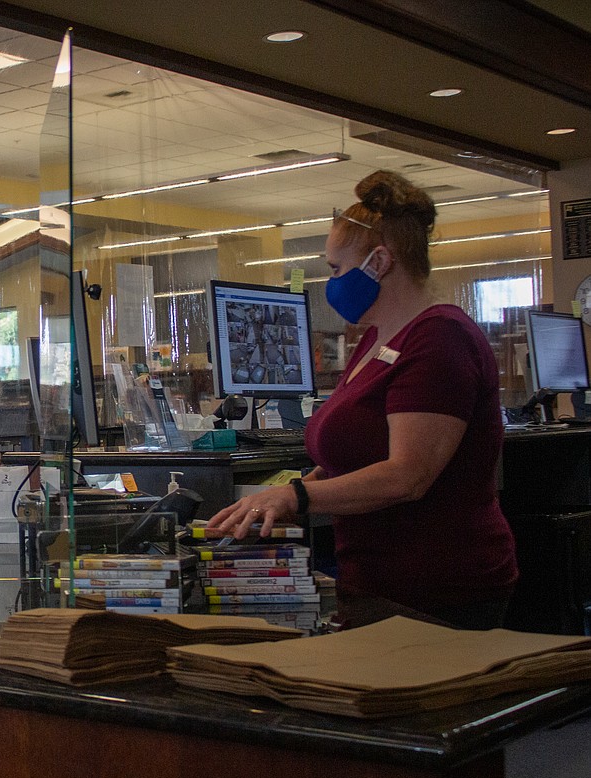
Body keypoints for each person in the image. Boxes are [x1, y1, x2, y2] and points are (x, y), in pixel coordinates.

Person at [207, 170, 518, 630]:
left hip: (437, 590)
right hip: (376, 581)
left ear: (380, 261)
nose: (330, 282)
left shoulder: (439, 338)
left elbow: (407, 476)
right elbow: (363, 449)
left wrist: (297, 495)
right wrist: (293, 489)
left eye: (335, 268)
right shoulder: (375, 340)